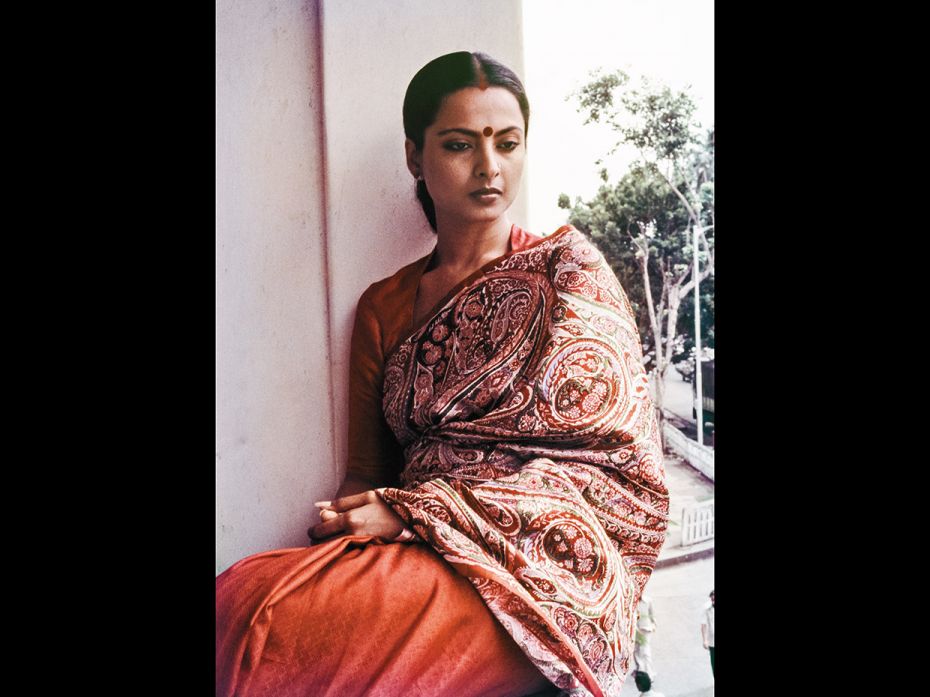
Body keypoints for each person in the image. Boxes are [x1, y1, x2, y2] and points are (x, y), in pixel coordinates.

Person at [216, 50, 669, 697]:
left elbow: (615, 471)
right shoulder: (385, 304)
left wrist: (421, 513)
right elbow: (368, 472)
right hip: (412, 540)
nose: (490, 167)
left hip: (539, 564)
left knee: (277, 634)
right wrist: (343, 527)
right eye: (460, 144)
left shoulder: (568, 276)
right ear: (415, 157)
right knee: (241, 597)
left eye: (507, 143)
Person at [632, 592, 657, 678]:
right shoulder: (631, 602)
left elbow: (652, 614)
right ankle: (639, 669)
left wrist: (654, 625)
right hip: (635, 630)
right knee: (636, 650)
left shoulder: (648, 601)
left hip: (645, 629)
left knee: (645, 651)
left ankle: (649, 673)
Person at [701, 589, 715, 679]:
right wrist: (705, 640)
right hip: (712, 641)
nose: (713, 600)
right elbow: (703, 625)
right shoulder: (707, 608)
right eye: (712, 599)